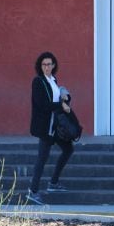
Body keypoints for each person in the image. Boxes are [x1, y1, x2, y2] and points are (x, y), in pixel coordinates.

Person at [27, 51, 74, 205]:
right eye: (44, 64)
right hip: (45, 127)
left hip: (55, 125)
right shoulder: (38, 81)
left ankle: (53, 183)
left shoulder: (53, 80)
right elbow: (43, 104)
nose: (46, 67)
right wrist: (61, 105)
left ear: (53, 65)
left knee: (68, 149)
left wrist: (65, 96)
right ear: (40, 66)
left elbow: (56, 98)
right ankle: (32, 191)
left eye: (49, 64)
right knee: (42, 158)